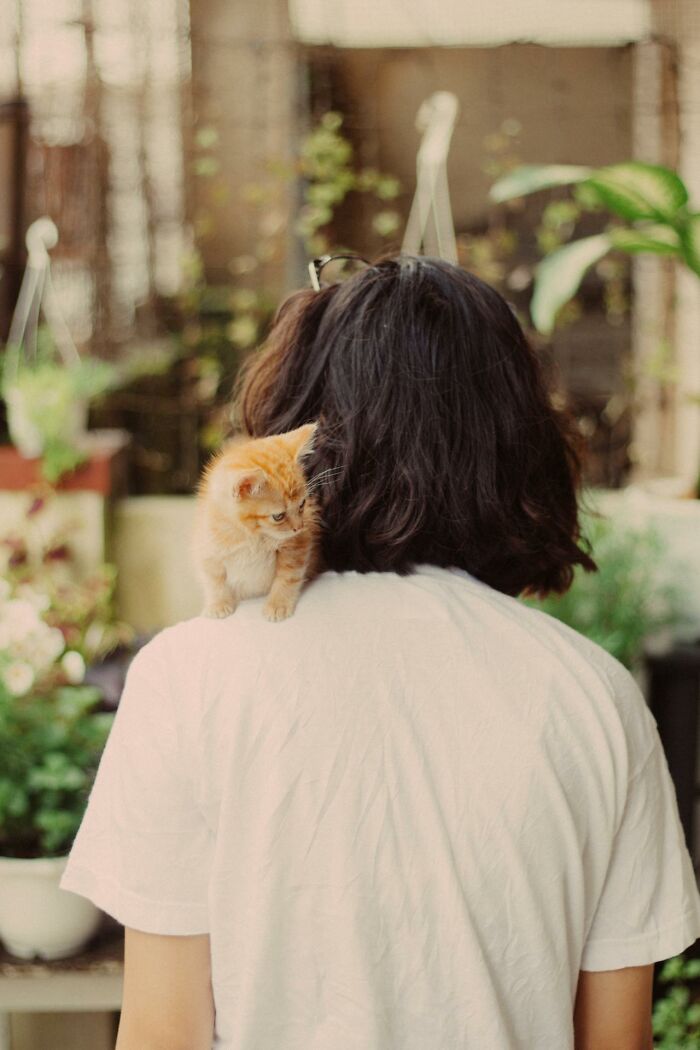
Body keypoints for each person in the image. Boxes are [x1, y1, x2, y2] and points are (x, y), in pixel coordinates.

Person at [60, 254, 700, 1050]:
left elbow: (163, 1035)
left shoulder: (188, 676)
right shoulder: (594, 697)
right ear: (518, 447)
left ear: (299, 436)